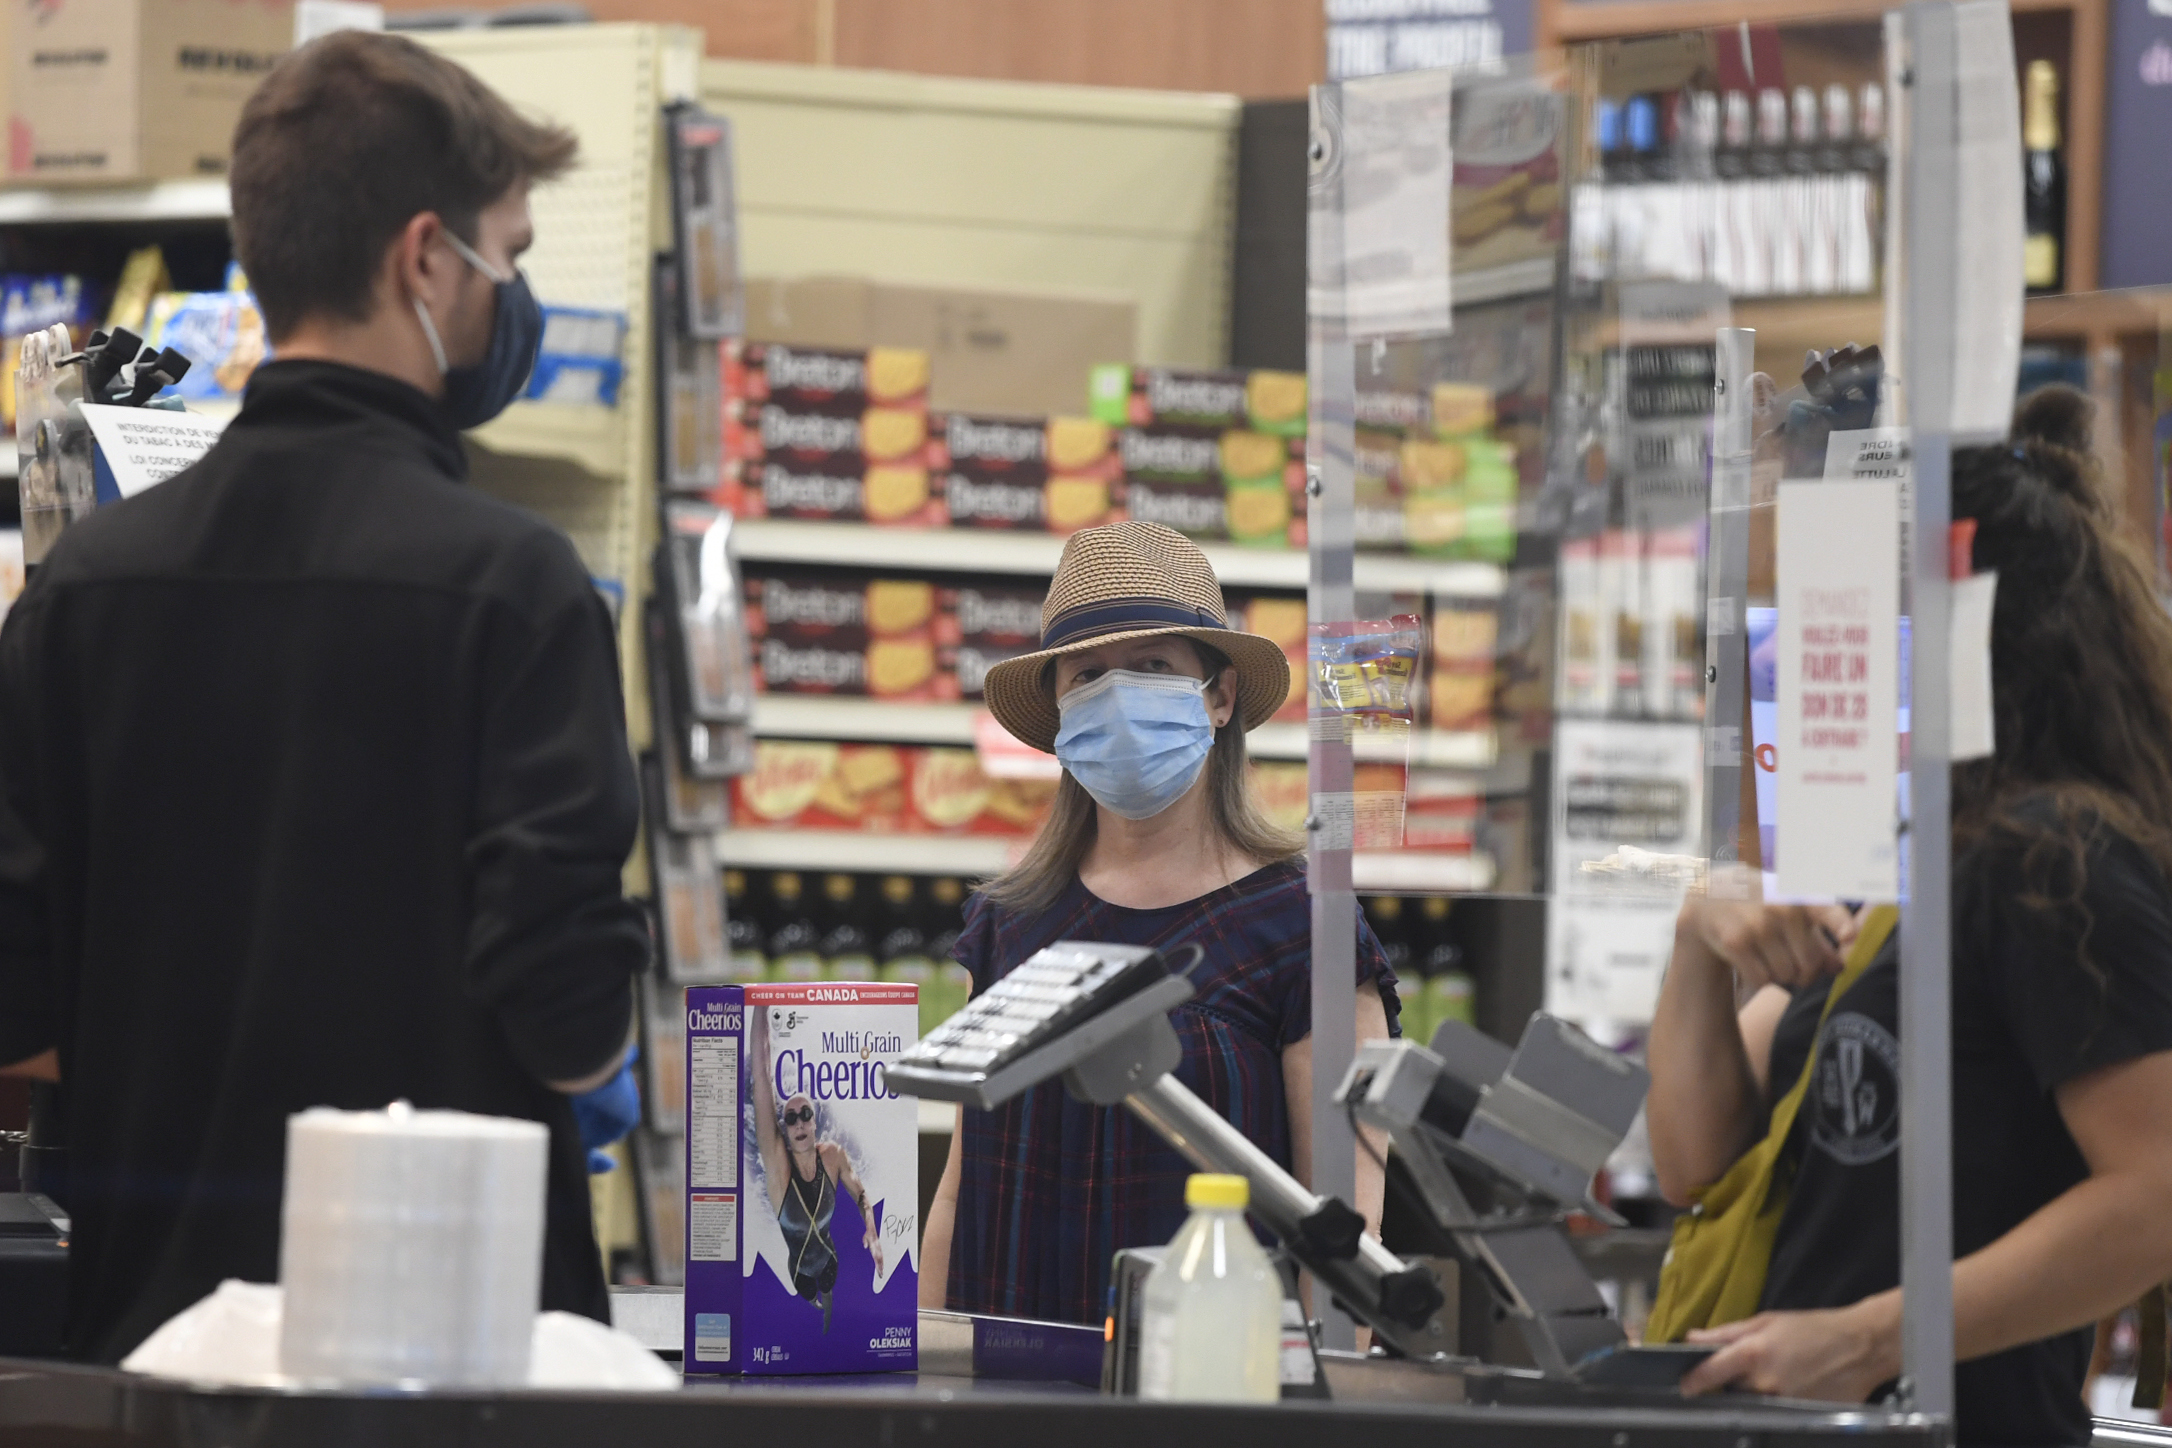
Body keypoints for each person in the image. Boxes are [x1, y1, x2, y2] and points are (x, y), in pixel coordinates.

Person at [0, 31, 649, 1361]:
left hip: (159, 1348)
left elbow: (19, 1010)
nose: (511, 291)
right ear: (425, 259)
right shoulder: (520, 591)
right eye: (509, 253)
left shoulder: (81, 595)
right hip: (461, 1350)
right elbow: (571, 1018)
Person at [1645, 387, 2172, 1444]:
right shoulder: (1909, 860)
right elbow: (1697, 1156)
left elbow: (2157, 1190)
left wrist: (1870, 1339)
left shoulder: (2054, 860)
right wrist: (1698, 932)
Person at [918, 520, 1400, 1325]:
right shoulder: (1010, 925)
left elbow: (1346, 1232)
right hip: (1004, 1370)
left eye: (1152, 667)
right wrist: (921, 1362)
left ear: (1220, 697)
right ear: (1060, 714)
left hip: (1204, 1374)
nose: (1117, 697)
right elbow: (958, 1194)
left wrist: (1327, 1385)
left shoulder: (1303, 929)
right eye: (1087, 675)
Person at [749, 1004, 882, 1333]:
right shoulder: (779, 1170)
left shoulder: (833, 1156)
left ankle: (829, 1315)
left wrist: (871, 1229)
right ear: (785, 1129)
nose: (799, 1123)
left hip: (830, 1259)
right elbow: (761, 1077)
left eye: (805, 1114)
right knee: (812, 1307)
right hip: (799, 1273)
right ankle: (817, 1314)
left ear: (815, 1122)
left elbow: (861, 1193)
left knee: (831, 1300)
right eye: (790, 1118)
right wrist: (760, 1003)